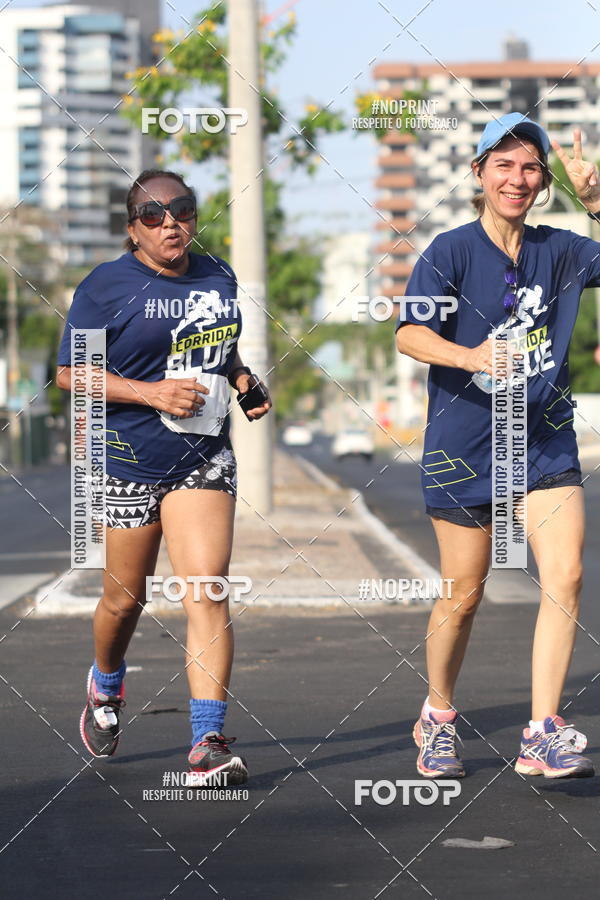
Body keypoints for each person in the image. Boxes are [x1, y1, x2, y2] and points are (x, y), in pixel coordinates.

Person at [396, 112, 600, 779]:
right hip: (464, 446)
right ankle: (438, 714)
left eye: (531, 167)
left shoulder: (562, 250)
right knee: (462, 593)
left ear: (544, 182)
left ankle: (542, 729)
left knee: (565, 574)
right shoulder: (448, 252)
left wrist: (595, 200)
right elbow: (408, 336)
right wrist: (473, 355)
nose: (517, 178)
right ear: (479, 172)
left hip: (543, 441)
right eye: (503, 164)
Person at [56, 169, 271, 784]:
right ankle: (105, 685)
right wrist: (149, 393)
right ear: (133, 230)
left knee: (206, 588)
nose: (171, 222)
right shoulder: (106, 286)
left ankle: (207, 741)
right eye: (154, 215)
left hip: (202, 456)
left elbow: (216, 347)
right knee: (125, 600)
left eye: (181, 209)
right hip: (127, 459)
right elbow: (73, 375)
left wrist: (242, 380)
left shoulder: (218, 274)